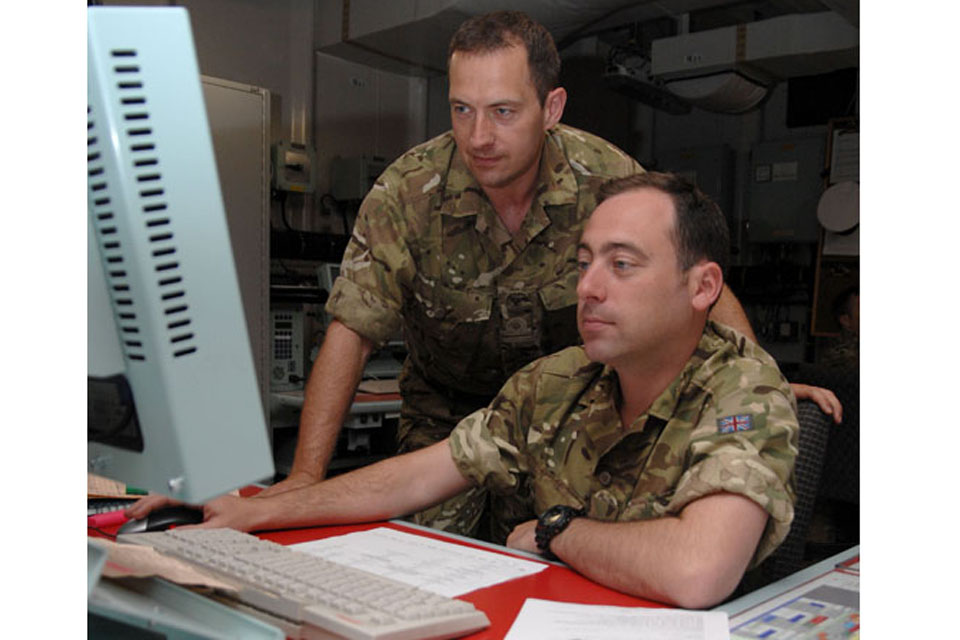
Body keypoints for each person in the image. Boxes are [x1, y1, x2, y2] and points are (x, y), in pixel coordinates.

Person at [262, 10, 836, 538]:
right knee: (429, 559)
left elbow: (692, 282)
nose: (479, 137)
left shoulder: (605, 177)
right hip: (446, 415)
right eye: (463, 109)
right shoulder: (408, 192)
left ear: (552, 107)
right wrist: (305, 477)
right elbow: (352, 327)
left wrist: (756, 377)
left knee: (567, 557)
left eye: (504, 111)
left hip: (564, 421)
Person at [128, 172, 798, 609]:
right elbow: (413, 478)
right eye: (585, 261)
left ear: (701, 287)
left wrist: (556, 531)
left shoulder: (743, 389)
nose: (587, 287)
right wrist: (261, 509)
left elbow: (697, 571)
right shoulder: (556, 381)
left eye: (622, 265)